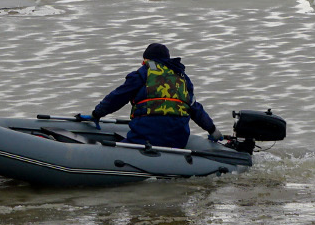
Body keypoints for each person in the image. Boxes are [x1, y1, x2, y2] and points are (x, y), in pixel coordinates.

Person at [85, 42, 220, 148]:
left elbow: (117, 97)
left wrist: (96, 114)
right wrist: (212, 129)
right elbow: (195, 108)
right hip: (178, 140)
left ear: (147, 60)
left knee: (119, 146)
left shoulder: (142, 74)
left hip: (145, 136)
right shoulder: (183, 79)